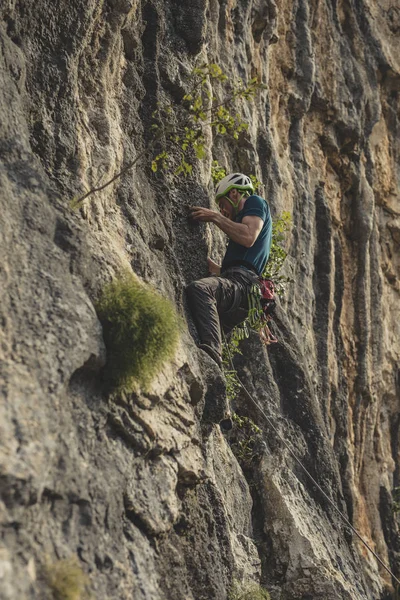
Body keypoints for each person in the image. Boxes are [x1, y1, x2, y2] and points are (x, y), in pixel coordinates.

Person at [187, 172, 272, 367]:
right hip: (240, 290)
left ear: (234, 194)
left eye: (222, 203)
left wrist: (214, 217)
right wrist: (211, 265)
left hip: (241, 284)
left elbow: (249, 236)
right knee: (204, 326)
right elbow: (240, 263)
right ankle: (210, 365)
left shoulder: (254, 202)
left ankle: (212, 355)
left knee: (201, 289)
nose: (222, 210)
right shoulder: (238, 225)